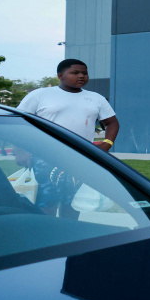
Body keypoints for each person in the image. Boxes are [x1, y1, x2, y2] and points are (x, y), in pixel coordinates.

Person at [17, 58, 120, 216]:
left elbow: (112, 123)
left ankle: (70, 230)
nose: (81, 76)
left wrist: (106, 144)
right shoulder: (40, 95)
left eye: (84, 73)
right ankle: (47, 230)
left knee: (73, 203)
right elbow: (19, 122)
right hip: (45, 157)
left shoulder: (96, 98)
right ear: (60, 75)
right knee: (47, 202)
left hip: (80, 157)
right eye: (75, 73)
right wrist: (21, 151)